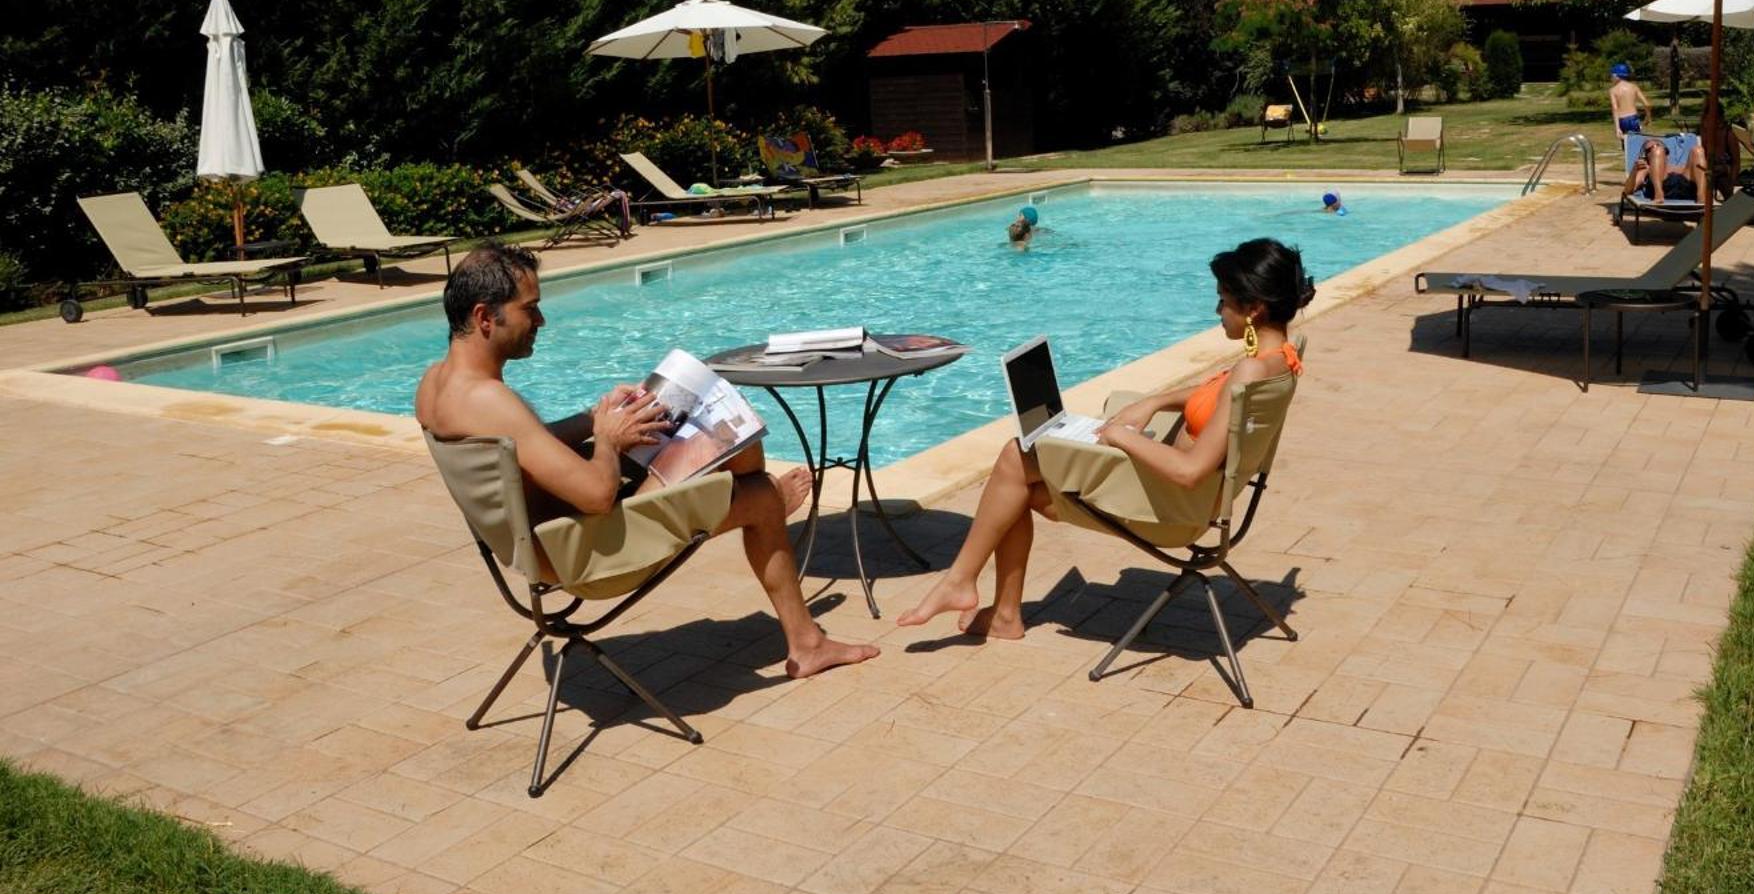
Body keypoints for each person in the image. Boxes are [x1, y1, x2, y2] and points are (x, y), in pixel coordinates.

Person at [414, 242, 877, 679]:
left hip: (544, 540)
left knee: (705, 439)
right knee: (754, 491)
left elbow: (522, 443)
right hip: (580, 554)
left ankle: (760, 500)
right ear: (484, 317)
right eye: (529, 308)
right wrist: (607, 439)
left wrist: (593, 418)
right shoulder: (491, 400)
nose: (541, 319)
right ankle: (803, 632)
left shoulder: (437, 385)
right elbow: (596, 496)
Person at [897, 238, 1312, 640]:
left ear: (1254, 308)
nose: (1217, 309)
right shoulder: (1278, 362)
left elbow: (1190, 471)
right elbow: (1219, 398)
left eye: (1224, 300)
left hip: (1173, 509)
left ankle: (964, 584)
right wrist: (1153, 402)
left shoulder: (1249, 372)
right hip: (1186, 497)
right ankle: (998, 611)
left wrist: (1118, 436)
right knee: (1018, 476)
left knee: (1016, 458)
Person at [1624, 135, 1709, 203]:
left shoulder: (1683, 167)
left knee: (1698, 150)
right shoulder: (1646, 169)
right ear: (1646, 156)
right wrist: (1634, 170)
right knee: (1658, 152)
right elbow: (1627, 191)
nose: (1655, 148)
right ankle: (1659, 194)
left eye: (1658, 145)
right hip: (1662, 189)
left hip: (1688, 189)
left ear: (1667, 152)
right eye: (1650, 149)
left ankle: (1701, 195)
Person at [1609, 63, 1651, 141]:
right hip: (1633, 118)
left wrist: (1617, 128)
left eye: (1611, 76)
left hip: (1622, 120)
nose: (1611, 78)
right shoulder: (1634, 87)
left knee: (1626, 145)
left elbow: (1615, 109)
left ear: (1616, 76)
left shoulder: (1613, 90)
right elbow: (1647, 104)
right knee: (1636, 144)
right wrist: (1648, 117)